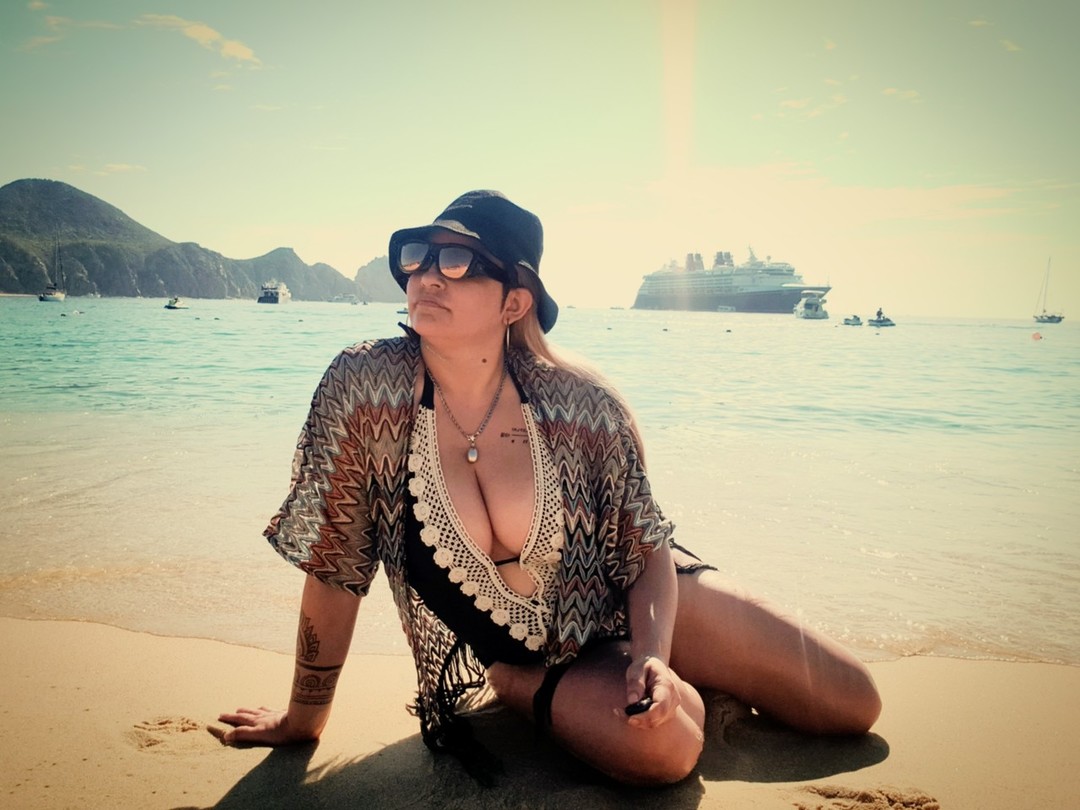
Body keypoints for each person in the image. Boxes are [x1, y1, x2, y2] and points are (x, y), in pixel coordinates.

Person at [218, 190, 881, 786]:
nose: (427, 275)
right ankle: (518, 685)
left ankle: (664, 670)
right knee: (670, 748)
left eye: (459, 262)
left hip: (641, 595)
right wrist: (304, 718)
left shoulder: (580, 403)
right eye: (418, 258)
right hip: (537, 655)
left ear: (514, 301)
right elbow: (336, 562)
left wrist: (652, 654)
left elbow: (644, 547)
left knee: (853, 703)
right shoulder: (364, 389)